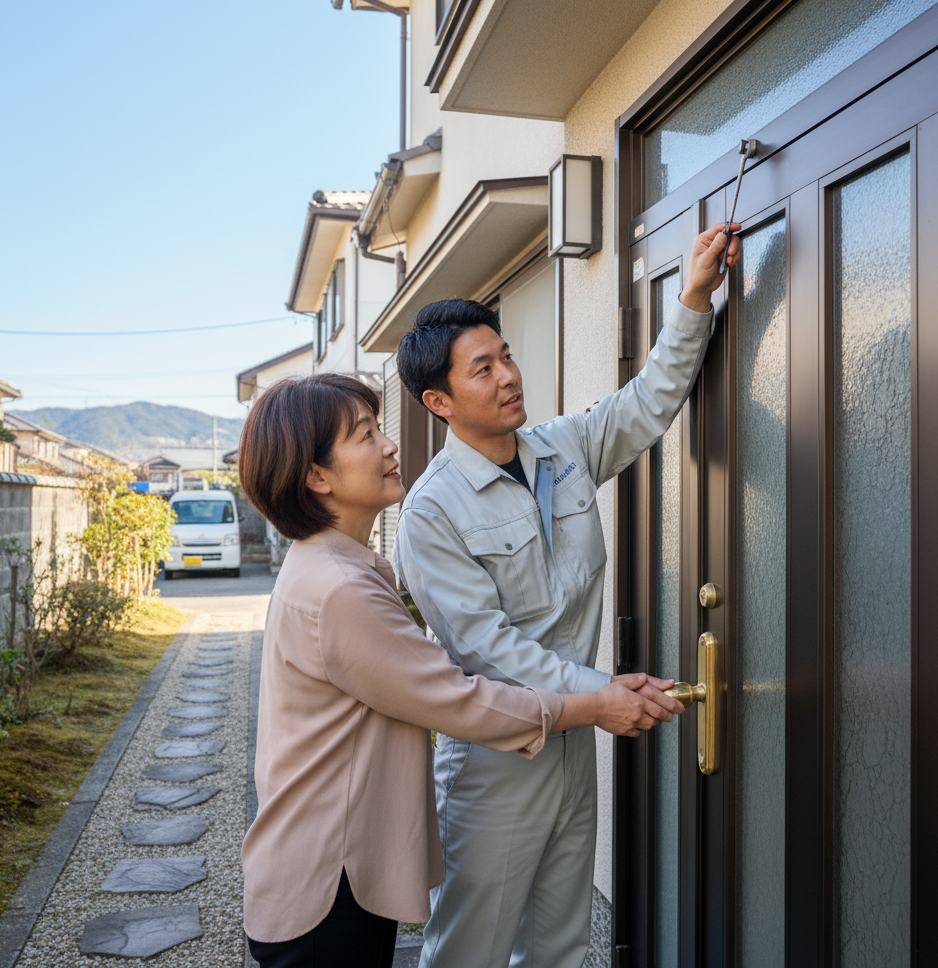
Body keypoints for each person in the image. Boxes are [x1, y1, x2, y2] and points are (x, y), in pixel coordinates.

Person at [237, 373, 677, 968]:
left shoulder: (337, 565)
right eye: (366, 436)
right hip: (325, 882)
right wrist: (594, 705)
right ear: (317, 476)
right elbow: (456, 700)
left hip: (328, 865)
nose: (389, 446)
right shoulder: (340, 587)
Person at [392, 223, 741, 968]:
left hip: (574, 744)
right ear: (439, 400)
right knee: (469, 952)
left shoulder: (563, 448)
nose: (509, 375)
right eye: (482, 369)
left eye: (506, 355)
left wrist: (694, 295)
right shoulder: (430, 513)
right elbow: (487, 647)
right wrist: (603, 694)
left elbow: (650, 400)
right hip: (496, 759)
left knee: (557, 946)